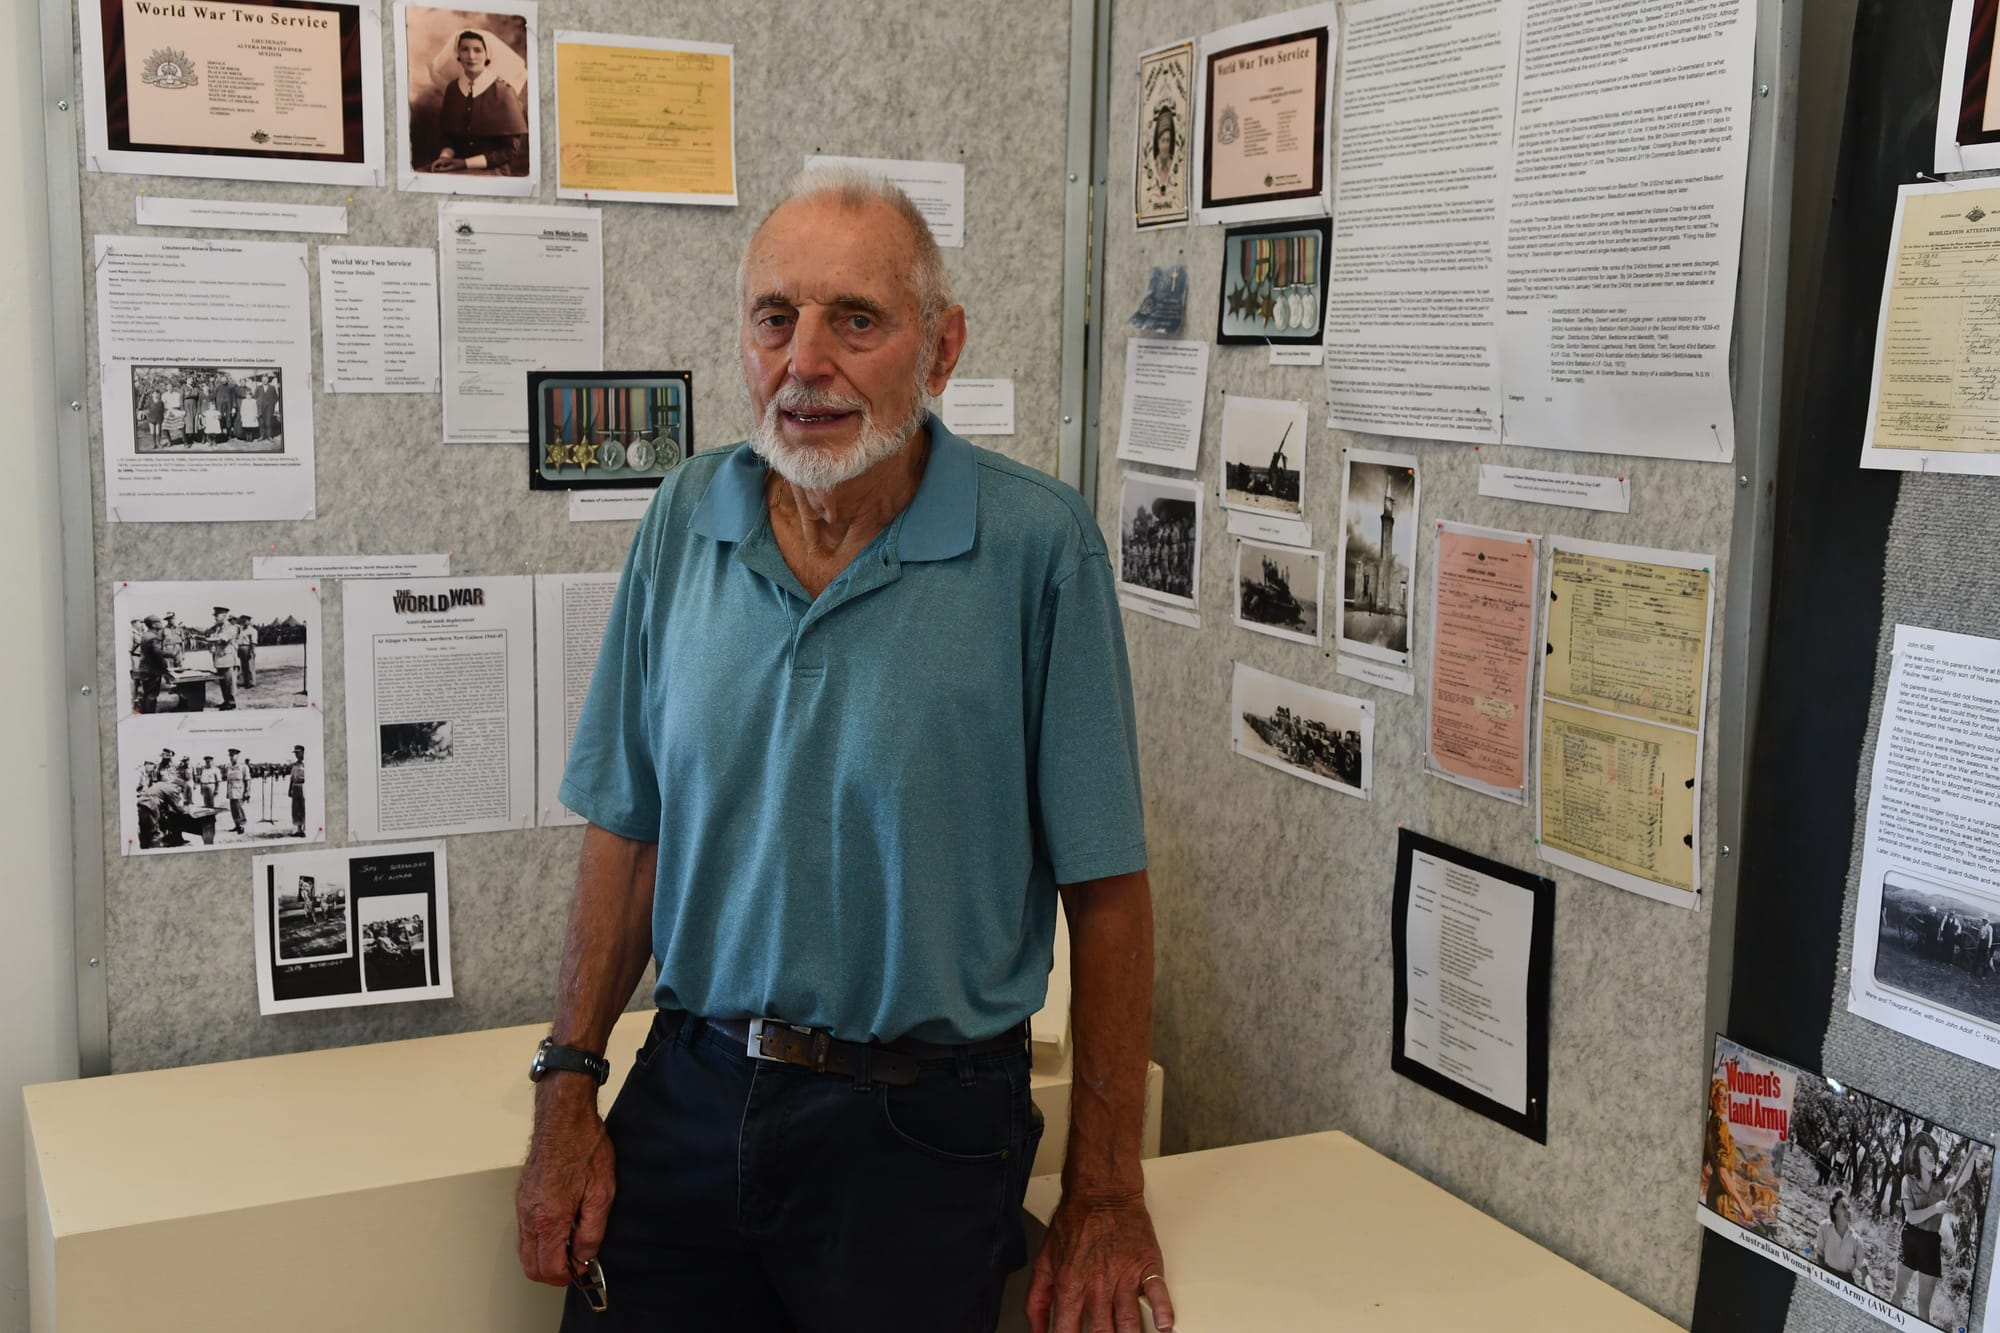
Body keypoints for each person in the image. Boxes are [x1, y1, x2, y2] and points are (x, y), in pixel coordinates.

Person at [515, 170, 1171, 1333]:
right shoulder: (682, 516)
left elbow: (1107, 893)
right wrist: (567, 1089)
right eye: (775, 317)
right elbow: (627, 827)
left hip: (918, 1132)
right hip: (692, 1090)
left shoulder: (1037, 548)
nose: (803, 361)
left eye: (853, 320)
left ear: (942, 345)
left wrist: (1103, 1190)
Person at [1891, 1131, 1974, 1321]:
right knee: (1899, 1293)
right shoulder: (1908, 1181)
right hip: (1910, 1237)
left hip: (1930, 1244)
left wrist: (1974, 1151)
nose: (1931, 1155)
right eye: (1925, 1153)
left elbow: (1965, 1175)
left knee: (1923, 1308)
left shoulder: (1942, 1186)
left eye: (1931, 1152)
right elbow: (1911, 1217)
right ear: (1917, 1160)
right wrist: (1936, 1208)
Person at [425, 30, 529, 175]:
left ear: (487, 55)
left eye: (477, 50)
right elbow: (448, 136)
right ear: (458, 55)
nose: (471, 56)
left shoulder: (504, 91)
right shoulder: (453, 89)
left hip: (492, 169)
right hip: (455, 164)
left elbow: (510, 150)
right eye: (464, 49)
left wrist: (465, 163)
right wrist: (445, 157)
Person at [1816, 1191, 1868, 1288]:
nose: (1848, 1211)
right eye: (1844, 1207)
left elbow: (1864, 1268)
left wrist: (1870, 1290)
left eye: (1848, 1207)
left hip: (1845, 1282)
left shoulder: (1856, 1240)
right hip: (1826, 1274)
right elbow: (1820, 1254)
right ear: (1834, 1210)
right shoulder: (1824, 1227)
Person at [132, 614, 170, 713]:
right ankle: (149, 716)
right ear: (153, 625)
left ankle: (144, 714)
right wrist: (172, 654)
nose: (161, 624)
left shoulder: (145, 635)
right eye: (159, 622)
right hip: (152, 671)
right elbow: (157, 654)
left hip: (145, 669)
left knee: (147, 694)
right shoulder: (153, 637)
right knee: (152, 696)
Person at [203, 607, 238, 709]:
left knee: (229, 682)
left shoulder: (231, 627)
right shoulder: (217, 628)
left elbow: (222, 640)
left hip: (227, 659)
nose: (215, 618)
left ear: (224, 616)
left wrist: (206, 639)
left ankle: (231, 702)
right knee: (223, 682)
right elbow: (211, 636)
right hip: (219, 659)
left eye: (216, 616)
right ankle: (226, 701)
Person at [224, 748, 250, 835]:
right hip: (231, 791)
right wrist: (227, 792)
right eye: (230, 756)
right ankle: (237, 825)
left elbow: (247, 780)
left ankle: (242, 826)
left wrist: (247, 792)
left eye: (233, 755)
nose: (231, 757)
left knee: (239, 809)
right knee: (233, 810)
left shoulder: (243, 766)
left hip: (239, 791)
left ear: (237, 756)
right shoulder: (229, 767)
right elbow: (228, 781)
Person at [287, 745, 307, 838]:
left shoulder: (306, 764)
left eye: (298, 753)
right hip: (295, 787)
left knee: (304, 808)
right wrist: (290, 789)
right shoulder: (295, 765)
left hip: (304, 786)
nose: (296, 755)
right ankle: (299, 829)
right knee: (296, 809)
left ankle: (304, 829)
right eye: (295, 753)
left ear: (303, 752)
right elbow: (292, 778)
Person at [235, 615, 259, 688]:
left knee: (250, 666)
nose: (243, 622)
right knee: (244, 666)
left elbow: (253, 642)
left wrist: (251, 651)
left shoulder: (252, 630)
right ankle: (246, 681)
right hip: (241, 648)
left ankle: (252, 682)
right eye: (242, 621)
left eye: (245, 621)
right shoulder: (242, 631)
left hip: (248, 647)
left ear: (249, 621)